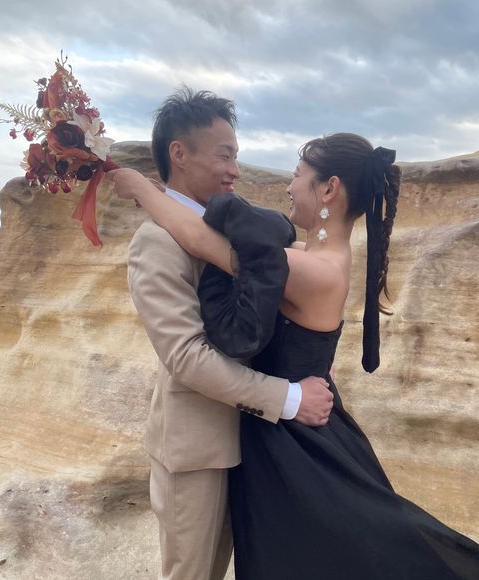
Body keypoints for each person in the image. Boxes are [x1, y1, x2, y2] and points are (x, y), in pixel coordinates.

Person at [112, 131, 479, 579]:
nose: (289, 187)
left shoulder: (311, 270)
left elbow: (200, 240)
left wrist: (143, 189)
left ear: (329, 189)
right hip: (289, 431)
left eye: (297, 175)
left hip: (294, 445)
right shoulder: (309, 255)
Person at [118, 88, 334, 580]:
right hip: (196, 451)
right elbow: (186, 356)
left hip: (253, 439)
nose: (235, 170)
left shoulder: (227, 225)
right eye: (224, 155)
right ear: (179, 153)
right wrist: (288, 398)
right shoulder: (155, 242)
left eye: (236, 156)